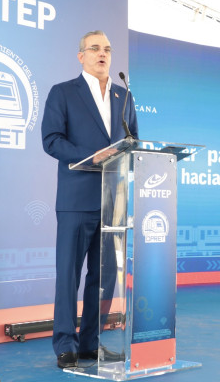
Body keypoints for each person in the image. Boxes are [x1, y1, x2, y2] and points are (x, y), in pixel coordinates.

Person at [41, 30, 139, 369]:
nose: (102, 54)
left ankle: (90, 344)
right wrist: (90, 155)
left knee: (104, 278)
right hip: (77, 199)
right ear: (81, 56)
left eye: (107, 49)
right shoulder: (63, 92)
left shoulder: (124, 96)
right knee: (68, 276)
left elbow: (133, 141)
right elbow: (52, 140)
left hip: (114, 200)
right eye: (95, 48)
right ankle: (65, 345)